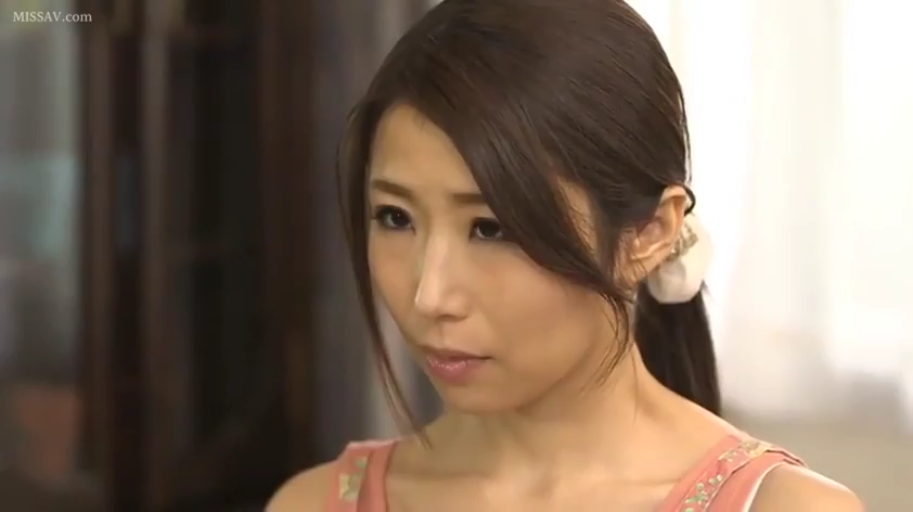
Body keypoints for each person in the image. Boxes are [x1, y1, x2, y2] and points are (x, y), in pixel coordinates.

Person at [269, 0, 863, 510]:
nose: (430, 296)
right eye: (396, 218)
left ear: (649, 233)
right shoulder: (314, 503)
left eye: (490, 229)